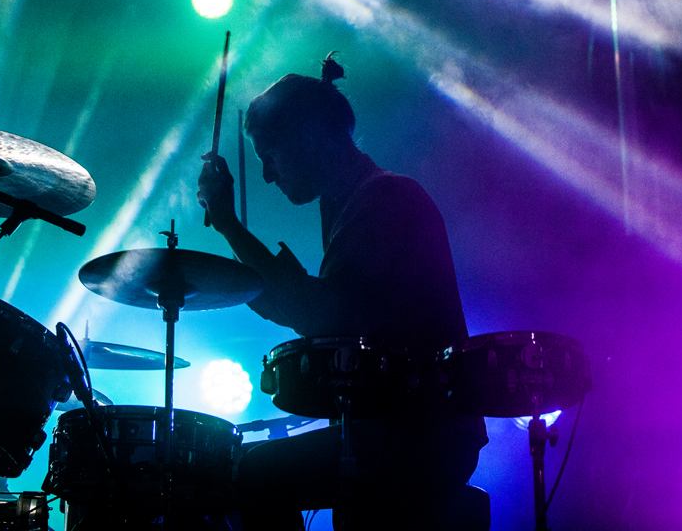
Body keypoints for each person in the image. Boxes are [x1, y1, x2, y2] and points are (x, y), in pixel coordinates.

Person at [196, 54, 488, 530]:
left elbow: (319, 314)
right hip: (403, 426)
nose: (267, 174)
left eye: (270, 155)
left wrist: (228, 223)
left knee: (255, 474)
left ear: (310, 135)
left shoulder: (385, 200)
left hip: (416, 430)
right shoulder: (354, 201)